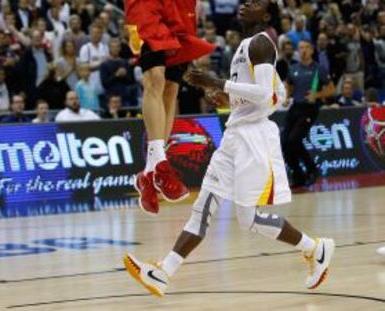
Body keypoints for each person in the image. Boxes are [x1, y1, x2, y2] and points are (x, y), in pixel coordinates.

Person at [123, 0, 335, 297]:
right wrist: (224, 97)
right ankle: (163, 272)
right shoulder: (244, 46)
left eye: (256, 2)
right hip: (234, 136)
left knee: (249, 219)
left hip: (255, 139)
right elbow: (265, 93)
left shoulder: (262, 44)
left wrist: (218, 82)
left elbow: (263, 96)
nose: (246, 3)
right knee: (202, 210)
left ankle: (315, 248)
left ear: (267, 14)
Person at [125, 0, 215, 214]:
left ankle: (149, 173)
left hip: (180, 7)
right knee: (155, 79)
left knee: (171, 89)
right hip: (145, 5)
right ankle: (160, 164)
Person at [284, 40, 335, 187]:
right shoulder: (293, 68)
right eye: (300, 48)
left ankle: (312, 170)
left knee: (294, 140)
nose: (303, 50)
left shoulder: (318, 69)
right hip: (295, 107)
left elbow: (331, 89)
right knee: (284, 142)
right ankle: (298, 175)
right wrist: (286, 96)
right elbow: (288, 84)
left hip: (309, 109)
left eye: (306, 47)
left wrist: (317, 95)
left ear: (312, 50)